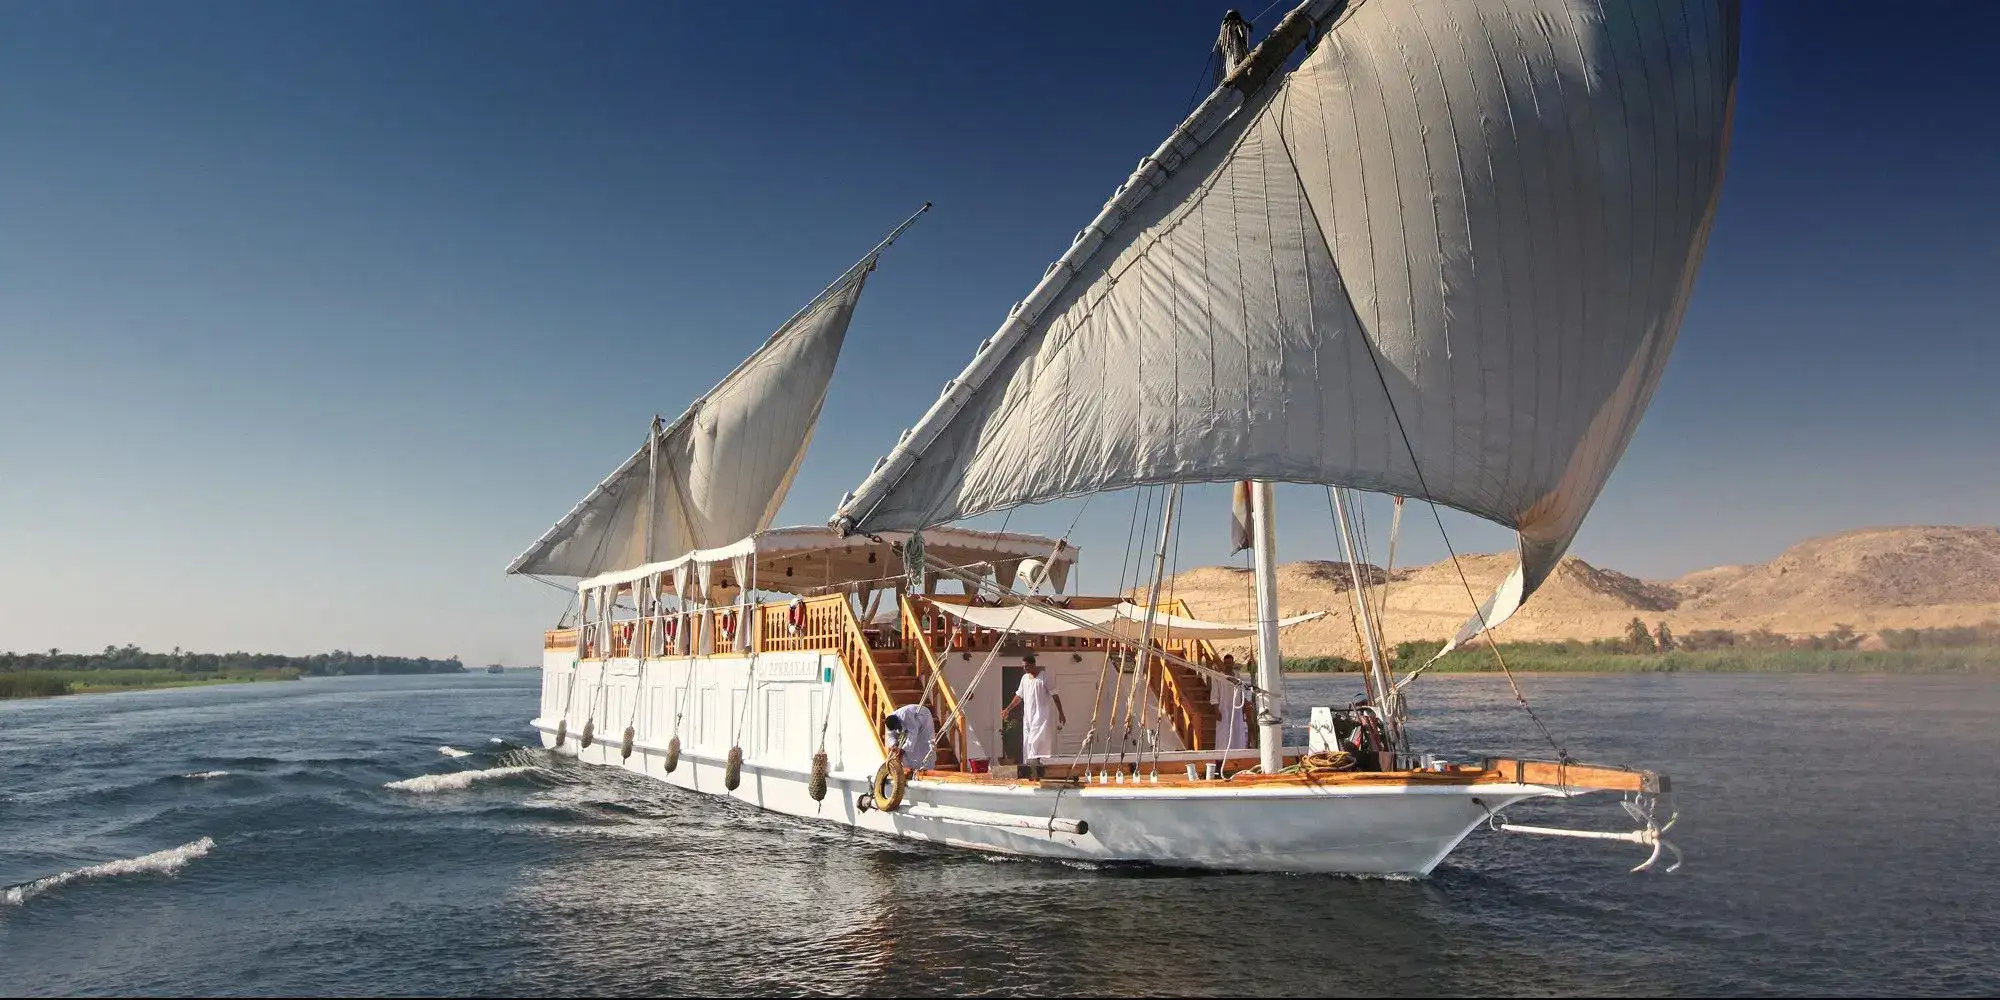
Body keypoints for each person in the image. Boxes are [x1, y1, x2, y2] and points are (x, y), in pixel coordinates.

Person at [1002, 652, 1065, 777]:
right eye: (1023, 666)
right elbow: (1018, 696)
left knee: (1037, 742)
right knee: (1027, 742)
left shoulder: (1045, 677)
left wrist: (1061, 713)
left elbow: (1055, 695)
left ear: (1033, 665)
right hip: (1028, 717)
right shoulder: (1024, 678)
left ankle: (1039, 770)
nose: (1025, 669)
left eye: (1027, 666)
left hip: (1042, 716)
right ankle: (1029, 770)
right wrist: (1007, 709)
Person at [1210, 654, 1250, 752]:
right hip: (1223, 709)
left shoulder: (1237, 676)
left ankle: (1238, 753)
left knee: (1237, 730)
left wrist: (1244, 705)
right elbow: (1214, 695)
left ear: (1233, 663)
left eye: (1230, 663)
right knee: (1223, 732)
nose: (1228, 665)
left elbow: (1241, 693)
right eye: (1226, 663)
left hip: (1236, 709)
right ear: (1224, 663)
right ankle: (1222, 754)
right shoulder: (1218, 676)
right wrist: (1216, 710)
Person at [883, 702, 936, 772]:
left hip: (923, 719)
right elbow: (890, 736)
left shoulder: (905, 715)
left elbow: (912, 733)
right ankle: (909, 769)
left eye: (898, 727)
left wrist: (902, 750)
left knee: (924, 745)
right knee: (907, 750)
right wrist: (894, 746)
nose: (897, 729)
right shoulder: (889, 723)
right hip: (912, 726)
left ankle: (926, 769)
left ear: (899, 721)